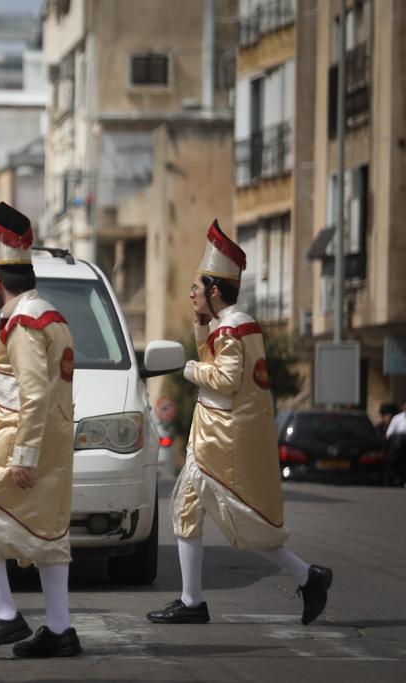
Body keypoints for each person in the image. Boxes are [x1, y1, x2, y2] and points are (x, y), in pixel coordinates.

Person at [147, 220, 333, 627]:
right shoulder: (231, 324)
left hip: (221, 439)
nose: (191, 293)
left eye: (198, 288)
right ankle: (193, 600)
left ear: (215, 291)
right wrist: (200, 327)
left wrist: (190, 369)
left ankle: (305, 575)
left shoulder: (232, 327)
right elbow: (220, 361)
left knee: (240, 520)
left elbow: (225, 379)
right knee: (188, 508)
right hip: (216, 436)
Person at [0, 202, 82, 658]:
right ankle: (60, 629)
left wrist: (23, 455)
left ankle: (5, 615)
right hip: (53, 437)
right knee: (49, 534)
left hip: (20, 437)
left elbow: (32, 392)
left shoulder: (23, 322)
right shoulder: (51, 315)